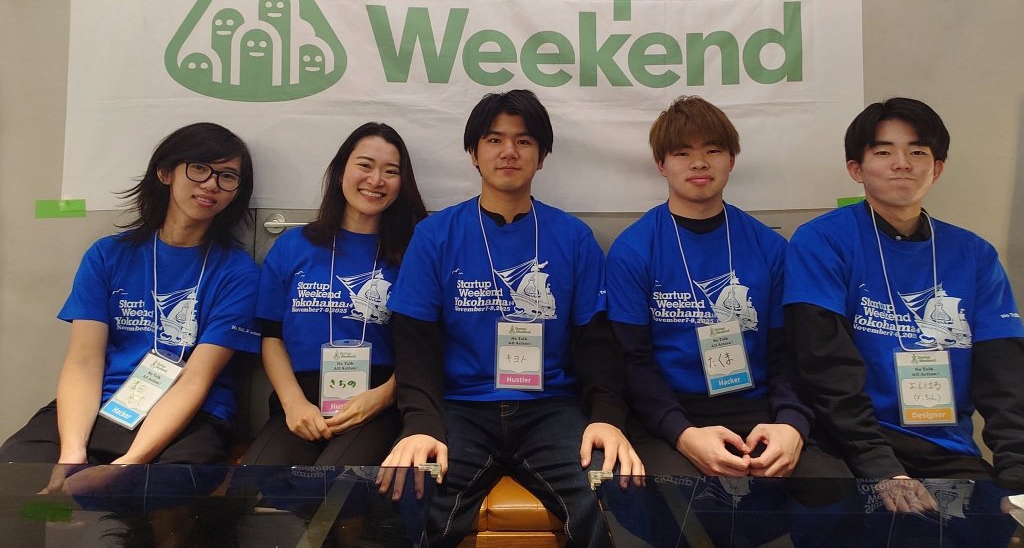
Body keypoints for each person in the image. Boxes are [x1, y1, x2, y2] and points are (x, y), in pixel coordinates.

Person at [380, 89, 643, 548]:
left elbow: (596, 342)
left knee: (609, 494)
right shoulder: (435, 234)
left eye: (523, 141)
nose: (508, 152)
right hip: (460, 409)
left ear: (541, 157)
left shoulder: (573, 237)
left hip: (551, 409)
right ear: (473, 153)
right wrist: (421, 422)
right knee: (412, 498)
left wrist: (607, 417)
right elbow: (414, 341)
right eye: (494, 139)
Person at [602, 96, 850, 548]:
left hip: (759, 413)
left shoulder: (770, 248)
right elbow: (633, 362)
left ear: (732, 159)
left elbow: (789, 354)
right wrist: (682, 434)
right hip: (671, 417)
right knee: (663, 497)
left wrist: (792, 423)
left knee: (834, 488)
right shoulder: (633, 250)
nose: (699, 163)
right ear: (661, 164)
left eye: (712, 150)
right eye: (682, 152)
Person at [784, 97, 1024, 514]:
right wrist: (881, 467)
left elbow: (1003, 376)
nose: (902, 164)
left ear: (937, 168)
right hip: (844, 444)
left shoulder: (975, 255)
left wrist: (1017, 476)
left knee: (984, 525)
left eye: (917, 152)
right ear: (856, 169)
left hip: (943, 445)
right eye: (883, 152)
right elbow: (825, 367)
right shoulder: (822, 241)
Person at [0, 122, 260, 491]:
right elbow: (84, 360)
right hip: (104, 402)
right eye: (199, 168)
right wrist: (72, 454)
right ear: (165, 172)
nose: (211, 184)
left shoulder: (239, 272)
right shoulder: (108, 255)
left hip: (192, 414)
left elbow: (196, 380)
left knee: (165, 491)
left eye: (227, 176)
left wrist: (129, 463)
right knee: (17, 475)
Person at [243, 122, 427, 468]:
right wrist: (293, 404)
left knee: (336, 486)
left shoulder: (414, 252)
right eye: (365, 165)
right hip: (300, 400)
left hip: (378, 401)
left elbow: (425, 345)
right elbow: (271, 336)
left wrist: (383, 397)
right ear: (341, 172)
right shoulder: (293, 246)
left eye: (391, 171)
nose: (376, 180)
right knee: (255, 481)